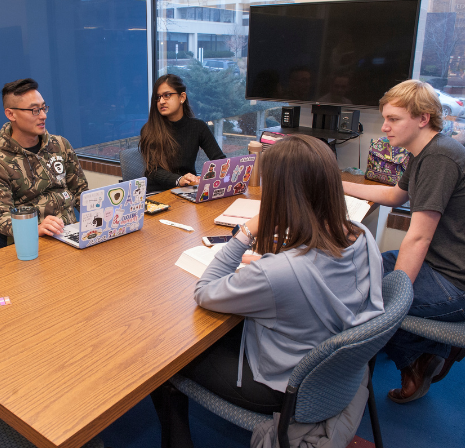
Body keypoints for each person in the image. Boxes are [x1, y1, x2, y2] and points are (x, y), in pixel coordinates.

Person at [151, 134, 384, 448]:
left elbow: (205, 291)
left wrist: (246, 232)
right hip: (332, 376)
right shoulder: (361, 234)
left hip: (283, 387)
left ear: (282, 194)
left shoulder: (281, 272)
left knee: (165, 360)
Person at [343, 79, 465, 403]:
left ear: (423, 118)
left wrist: (393, 297)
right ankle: (422, 346)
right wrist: (339, 183)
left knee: (361, 292)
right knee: (357, 266)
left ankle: (417, 359)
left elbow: (419, 237)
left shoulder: (439, 158)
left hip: (453, 281)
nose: (384, 127)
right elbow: (395, 195)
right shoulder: (426, 151)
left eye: (393, 119)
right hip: (439, 265)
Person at [0, 78, 88, 240]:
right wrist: (34, 228)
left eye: (43, 108)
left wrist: (99, 213)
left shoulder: (60, 145)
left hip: (69, 233)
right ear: (11, 114)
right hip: (31, 240)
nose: (43, 115)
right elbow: (0, 218)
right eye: (34, 110)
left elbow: (80, 191)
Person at [139, 74, 226, 192]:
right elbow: (153, 171)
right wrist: (179, 180)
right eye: (158, 97)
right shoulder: (149, 129)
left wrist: (209, 177)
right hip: (158, 193)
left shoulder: (198, 127)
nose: (161, 101)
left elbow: (219, 160)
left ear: (182, 97)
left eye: (167, 95)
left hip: (187, 190)